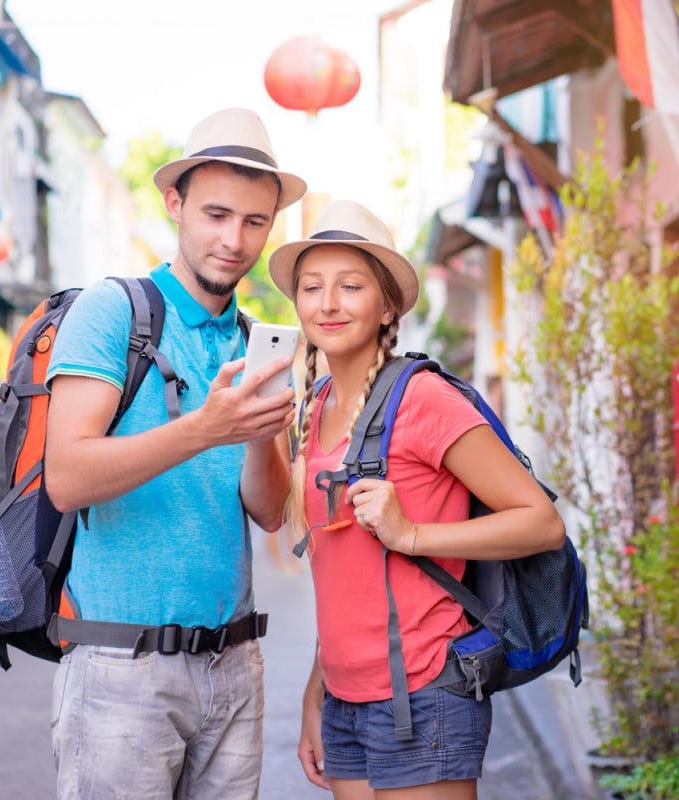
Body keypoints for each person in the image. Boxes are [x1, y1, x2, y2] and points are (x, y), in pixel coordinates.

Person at [43, 107, 306, 799]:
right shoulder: (112, 312)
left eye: (255, 221)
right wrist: (203, 428)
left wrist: (256, 438)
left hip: (234, 664)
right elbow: (66, 478)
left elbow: (272, 512)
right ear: (174, 203)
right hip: (121, 667)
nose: (234, 239)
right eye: (216, 214)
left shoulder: (256, 341)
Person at [267, 200, 566, 799]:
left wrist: (412, 536)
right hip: (344, 700)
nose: (327, 303)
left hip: (426, 692)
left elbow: (542, 522)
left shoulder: (422, 399)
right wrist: (316, 690)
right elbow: (344, 570)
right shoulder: (313, 405)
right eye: (312, 287)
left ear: (388, 308)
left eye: (350, 286)